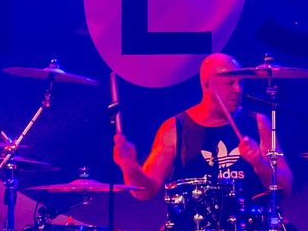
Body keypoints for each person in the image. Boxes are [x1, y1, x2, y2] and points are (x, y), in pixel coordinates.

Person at [110, 51, 291, 205]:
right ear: (207, 85)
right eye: (229, 83)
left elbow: (286, 187)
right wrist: (130, 167)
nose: (238, 89)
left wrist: (259, 162)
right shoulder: (175, 128)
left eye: (241, 82)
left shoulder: (258, 123)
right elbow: (145, 192)